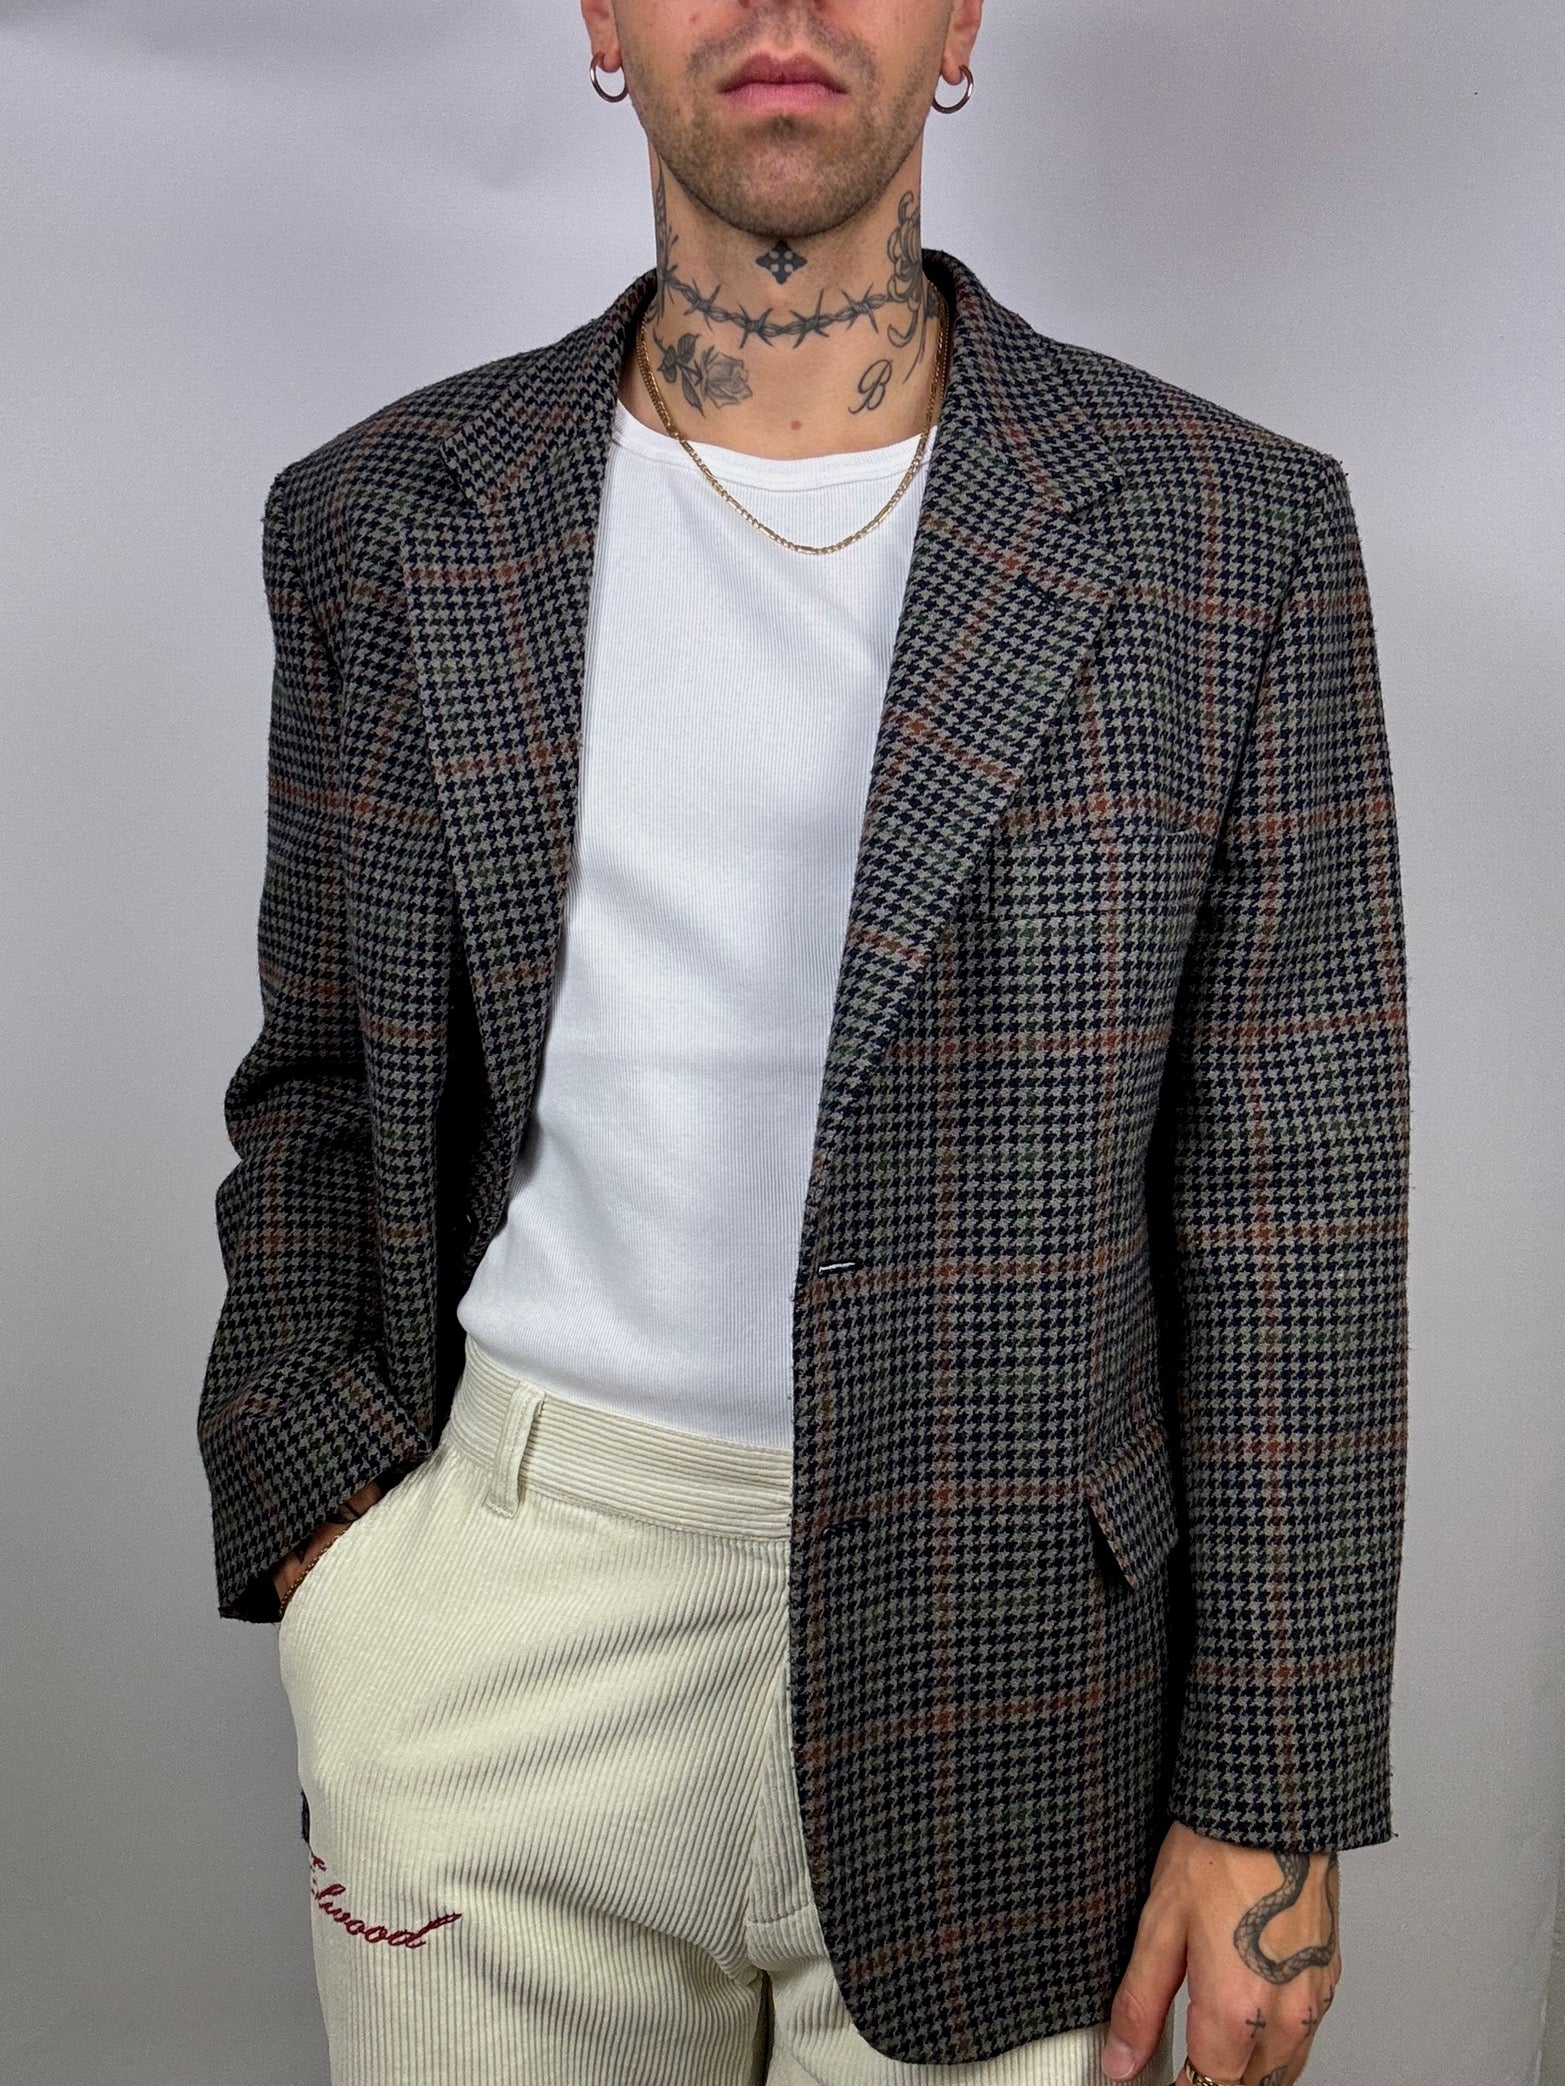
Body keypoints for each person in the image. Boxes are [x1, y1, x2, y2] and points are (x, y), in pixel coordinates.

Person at [196, 3, 1410, 2083]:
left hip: (1027, 1676)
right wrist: (333, 1542)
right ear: (601, 18)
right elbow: (318, 1070)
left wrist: (1272, 1787)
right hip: (504, 1629)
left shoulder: (1232, 532)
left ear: (962, 20)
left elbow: (1296, 1204)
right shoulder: (385, 516)